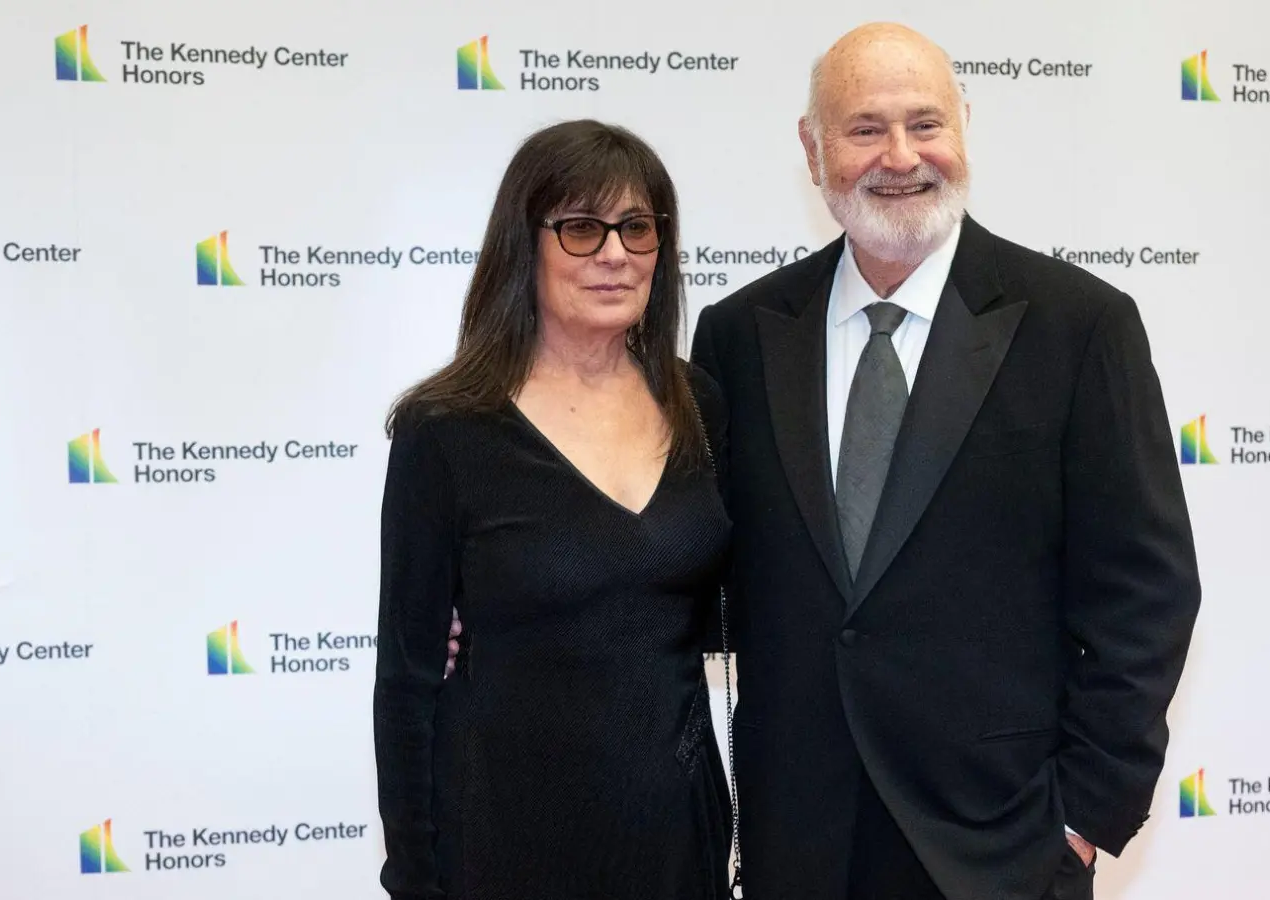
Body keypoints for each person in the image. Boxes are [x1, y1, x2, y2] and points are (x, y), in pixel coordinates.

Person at [688, 23, 1203, 900]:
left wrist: (1080, 822)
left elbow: (1145, 594)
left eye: (926, 124)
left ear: (964, 127)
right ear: (812, 149)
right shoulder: (739, 336)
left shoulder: (1079, 327)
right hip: (796, 843)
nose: (901, 156)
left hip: (999, 850)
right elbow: (705, 566)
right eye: (864, 129)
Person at [373, 119, 731, 900]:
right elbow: (405, 681)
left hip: (678, 835)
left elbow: (702, 600)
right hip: (505, 838)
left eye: (637, 228)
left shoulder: (697, 401)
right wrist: (414, 876)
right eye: (580, 228)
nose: (614, 253)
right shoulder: (447, 428)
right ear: (523, 243)